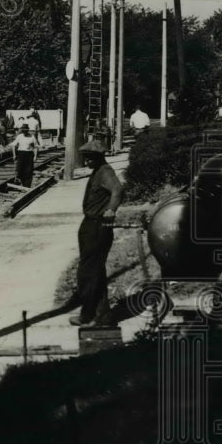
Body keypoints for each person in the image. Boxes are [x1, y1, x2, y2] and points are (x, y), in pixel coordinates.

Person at [70, 138, 123, 327]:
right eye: (85, 158)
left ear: (98, 157)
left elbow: (117, 189)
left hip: (98, 226)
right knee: (95, 272)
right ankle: (103, 316)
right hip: (91, 224)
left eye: (89, 158)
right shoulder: (98, 171)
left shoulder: (105, 172)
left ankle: (89, 315)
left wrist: (111, 210)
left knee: (89, 272)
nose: (86, 162)